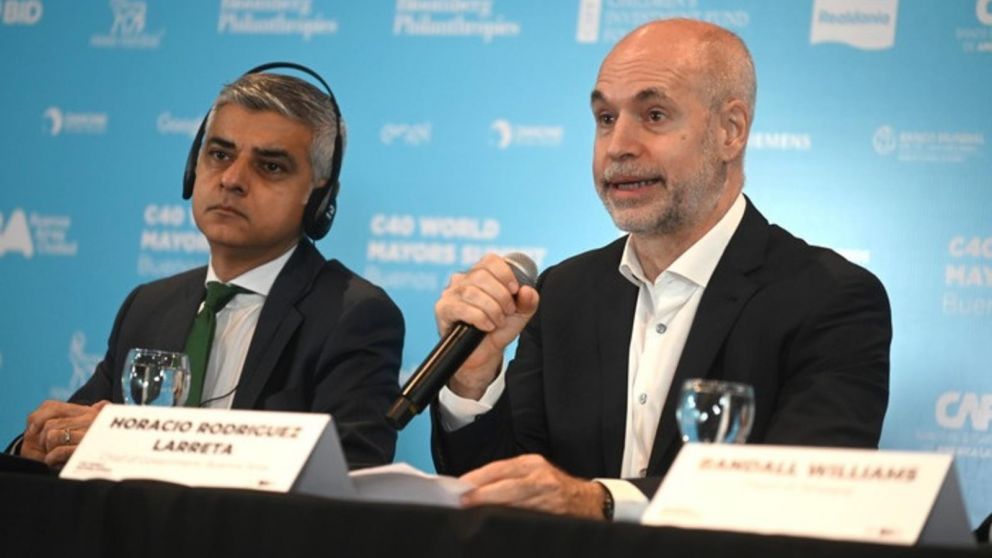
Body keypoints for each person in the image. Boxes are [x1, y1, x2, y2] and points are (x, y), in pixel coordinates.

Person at [431, 19, 891, 521]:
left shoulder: (831, 299)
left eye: (653, 115)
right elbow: (505, 502)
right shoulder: (563, 293)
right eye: (605, 118)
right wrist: (473, 382)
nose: (618, 146)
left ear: (730, 131)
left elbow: (805, 499)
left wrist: (602, 502)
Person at [9, 67, 405, 470]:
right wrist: (39, 444)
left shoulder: (353, 315)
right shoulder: (149, 306)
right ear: (192, 168)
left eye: (270, 166)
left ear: (320, 198)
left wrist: (132, 443)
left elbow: (351, 473)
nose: (232, 179)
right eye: (219, 155)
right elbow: (78, 432)